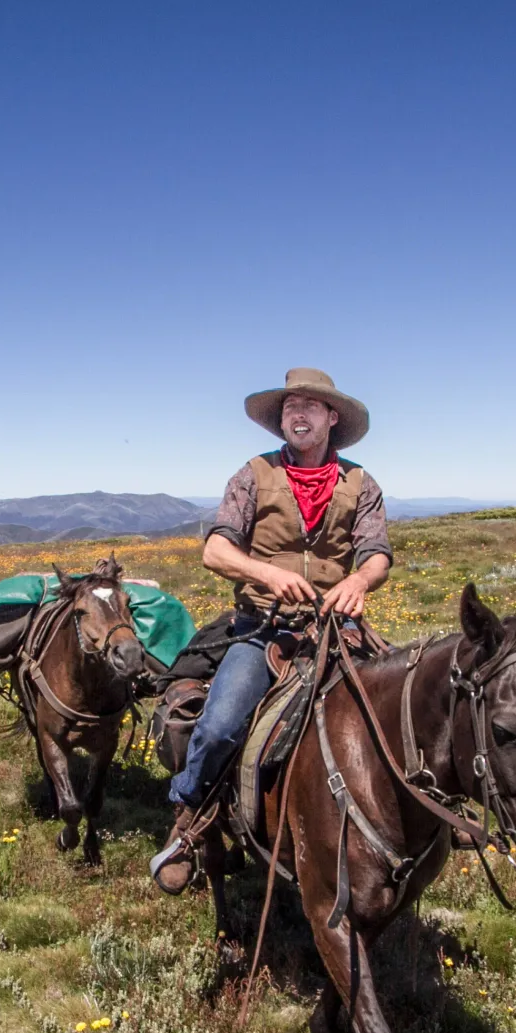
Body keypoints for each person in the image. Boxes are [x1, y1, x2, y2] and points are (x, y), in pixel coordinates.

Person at [150, 368, 392, 894]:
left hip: (338, 627)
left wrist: (359, 580)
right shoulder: (252, 475)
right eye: (289, 407)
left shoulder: (360, 483)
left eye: (309, 405)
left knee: (411, 708)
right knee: (220, 724)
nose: (297, 414)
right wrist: (268, 574)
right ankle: (188, 818)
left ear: (332, 418)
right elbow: (216, 549)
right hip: (265, 629)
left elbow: (376, 554)